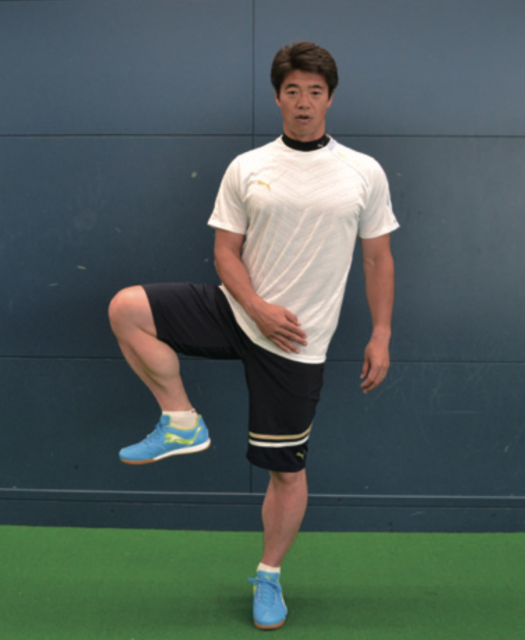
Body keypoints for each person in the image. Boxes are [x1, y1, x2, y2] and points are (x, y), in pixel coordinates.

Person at [108, 41, 399, 630]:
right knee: (127, 309)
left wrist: (381, 333)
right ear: (277, 97)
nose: (303, 102)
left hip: (296, 341)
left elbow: (377, 259)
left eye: (314, 91)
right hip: (238, 310)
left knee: (286, 471)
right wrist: (257, 307)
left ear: (330, 98)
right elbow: (225, 253)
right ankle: (181, 421)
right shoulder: (247, 167)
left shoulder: (363, 172)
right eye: (292, 91)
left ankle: (268, 576)